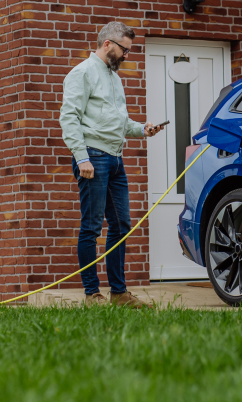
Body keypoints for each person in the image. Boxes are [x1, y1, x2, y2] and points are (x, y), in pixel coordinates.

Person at [60, 21, 165, 308]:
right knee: (92, 227)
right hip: (92, 158)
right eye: (124, 50)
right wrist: (81, 157)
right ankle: (92, 294)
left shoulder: (114, 78)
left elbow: (117, 122)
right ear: (108, 44)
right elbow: (69, 118)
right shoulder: (81, 73)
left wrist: (142, 129)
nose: (126, 56)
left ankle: (119, 294)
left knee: (121, 224)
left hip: (116, 160)